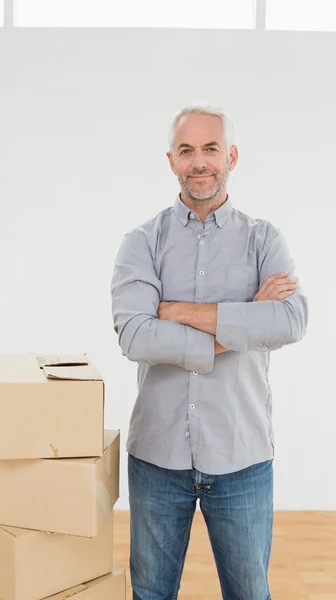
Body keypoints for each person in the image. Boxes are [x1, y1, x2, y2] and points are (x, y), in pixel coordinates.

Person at [110, 101, 308, 600]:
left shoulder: (265, 240)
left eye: (211, 149)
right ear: (171, 161)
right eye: (187, 150)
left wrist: (174, 311)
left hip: (241, 455)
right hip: (158, 456)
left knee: (249, 593)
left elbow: (289, 320)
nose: (200, 161)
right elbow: (135, 336)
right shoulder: (141, 242)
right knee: (150, 594)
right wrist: (243, 321)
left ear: (232, 157)